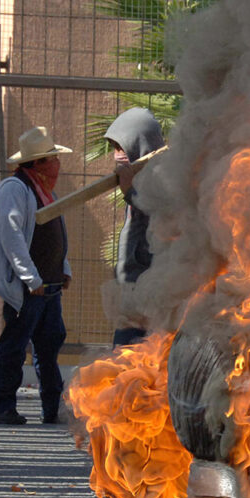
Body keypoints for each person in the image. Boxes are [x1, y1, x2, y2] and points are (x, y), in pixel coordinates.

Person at [0, 126, 72, 425]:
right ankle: (4, 407)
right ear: (38, 163)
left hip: (50, 286)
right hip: (29, 288)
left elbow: (56, 234)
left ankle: (51, 408)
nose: (57, 164)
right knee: (14, 347)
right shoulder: (15, 189)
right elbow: (12, 236)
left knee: (49, 347)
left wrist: (63, 269)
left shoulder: (45, 191)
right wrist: (32, 279)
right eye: (52, 158)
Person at [107, 107, 165, 346]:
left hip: (149, 297)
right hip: (132, 296)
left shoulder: (163, 177)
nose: (117, 155)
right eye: (114, 148)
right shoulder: (137, 179)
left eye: (121, 147)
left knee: (131, 357)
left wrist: (131, 191)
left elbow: (163, 215)